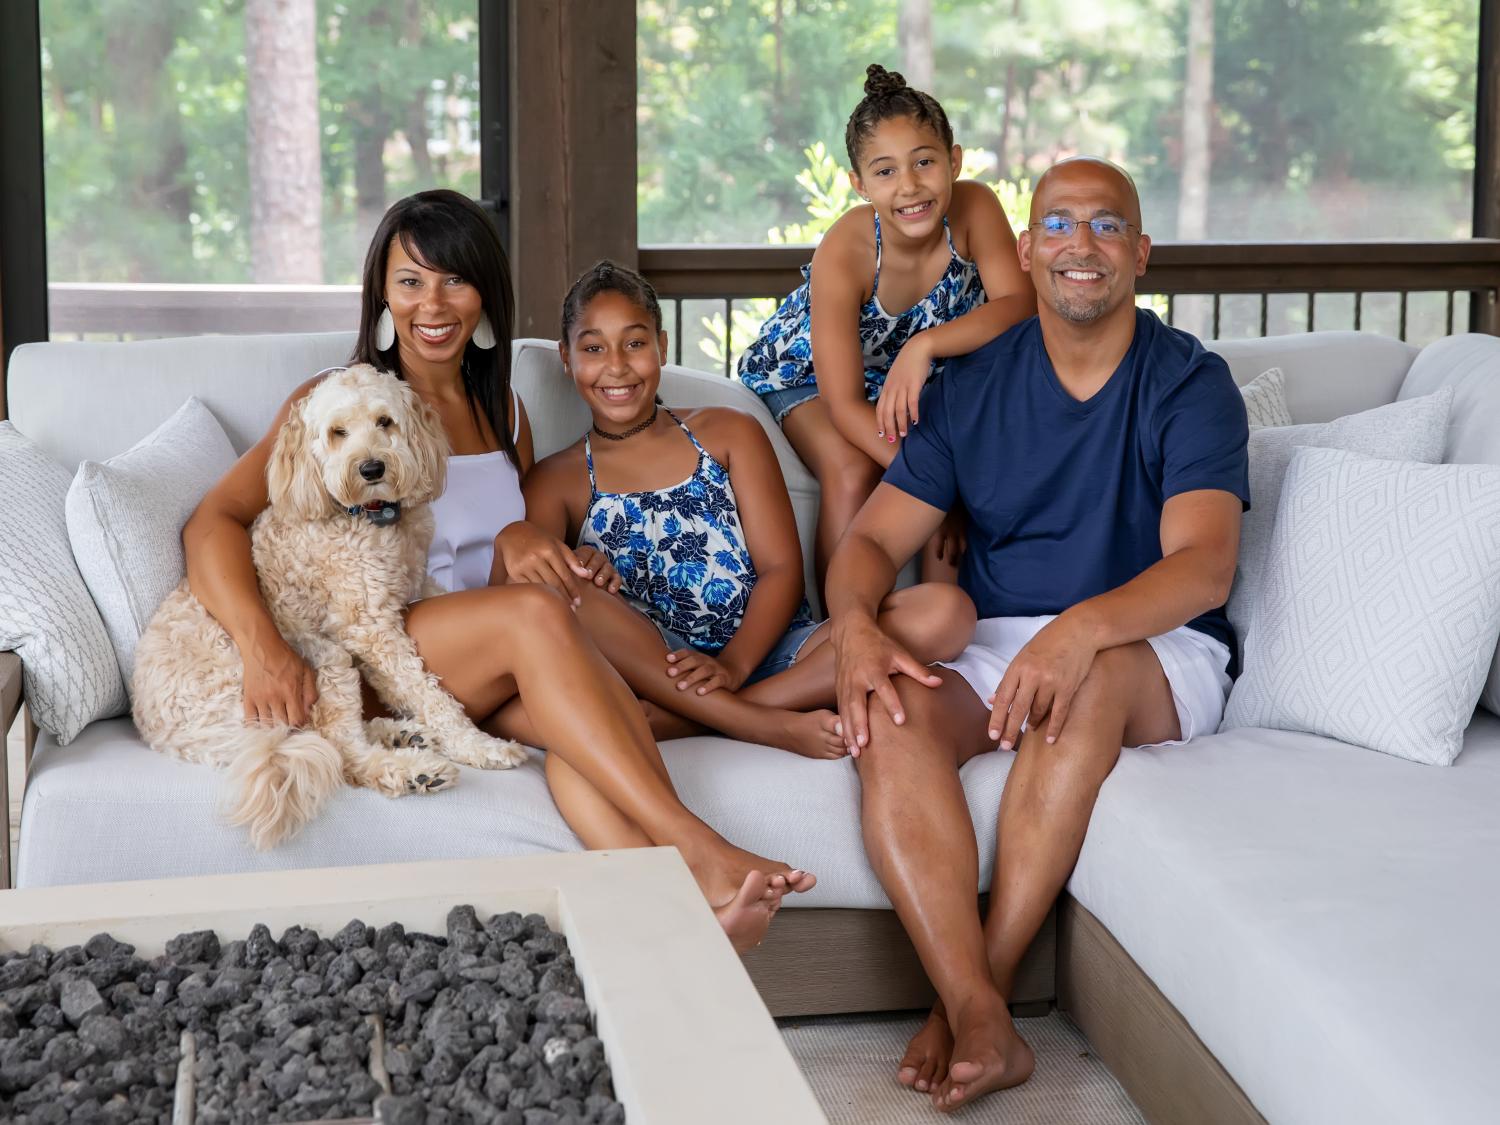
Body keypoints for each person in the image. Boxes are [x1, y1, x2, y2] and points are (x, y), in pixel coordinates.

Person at [182, 189, 813, 953]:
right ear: (383, 293)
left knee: (583, 720)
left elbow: (512, 550)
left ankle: (678, 919)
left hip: (485, 659)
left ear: (485, 294)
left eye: (454, 280)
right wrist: (262, 647)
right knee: (541, 614)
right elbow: (212, 521)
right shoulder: (342, 402)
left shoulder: (504, 411)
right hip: (384, 656)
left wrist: (554, 551)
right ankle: (704, 846)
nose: (433, 304)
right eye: (410, 281)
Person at [826, 157, 1249, 1110]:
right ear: (1026, 249)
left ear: (1140, 252)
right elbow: (870, 545)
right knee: (890, 713)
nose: (1081, 246)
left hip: (1155, 644)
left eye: (1107, 226)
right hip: (1003, 640)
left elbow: (1204, 567)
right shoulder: (974, 386)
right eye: (1058, 225)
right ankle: (976, 1005)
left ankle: (987, 991)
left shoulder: (1190, 382)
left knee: (1086, 678)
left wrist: (1081, 633)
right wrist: (853, 627)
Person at [509, 260, 975, 764]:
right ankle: (749, 720)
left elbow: (781, 571)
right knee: (565, 593)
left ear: (662, 347)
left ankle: (708, 719)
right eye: (593, 348)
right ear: (566, 357)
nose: (616, 366)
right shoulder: (558, 478)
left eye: (635, 343)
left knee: (946, 613)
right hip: (663, 670)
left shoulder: (728, 432)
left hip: (775, 655)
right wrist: (579, 561)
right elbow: (529, 589)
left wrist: (733, 666)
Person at [737, 63, 1035, 596]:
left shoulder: (975, 209)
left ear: (954, 161)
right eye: (885, 171)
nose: (910, 186)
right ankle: (837, 635)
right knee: (853, 469)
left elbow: (1019, 304)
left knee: (960, 455)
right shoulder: (847, 249)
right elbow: (845, 403)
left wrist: (925, 345)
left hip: (918, 373)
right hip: (807, 377)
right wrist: (933, 484)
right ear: (859, 184)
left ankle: (943, 642)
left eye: (924, 162)